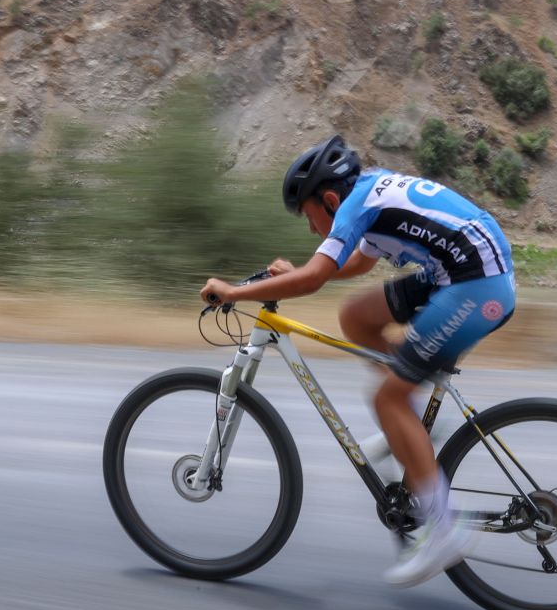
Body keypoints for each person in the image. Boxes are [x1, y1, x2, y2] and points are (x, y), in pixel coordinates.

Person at [200, 135, 516, 586]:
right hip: (461, 273)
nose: (312, 230)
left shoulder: (355, 206)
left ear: (329, 200)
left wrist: (234, 291)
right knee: (356, 316)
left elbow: (314, 280)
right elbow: (352, 266)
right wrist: (302, 272)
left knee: (388, 399)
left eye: (310, 217)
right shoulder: (369, 192)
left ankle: (443, 529)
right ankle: (413, 424)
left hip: (476, 286)